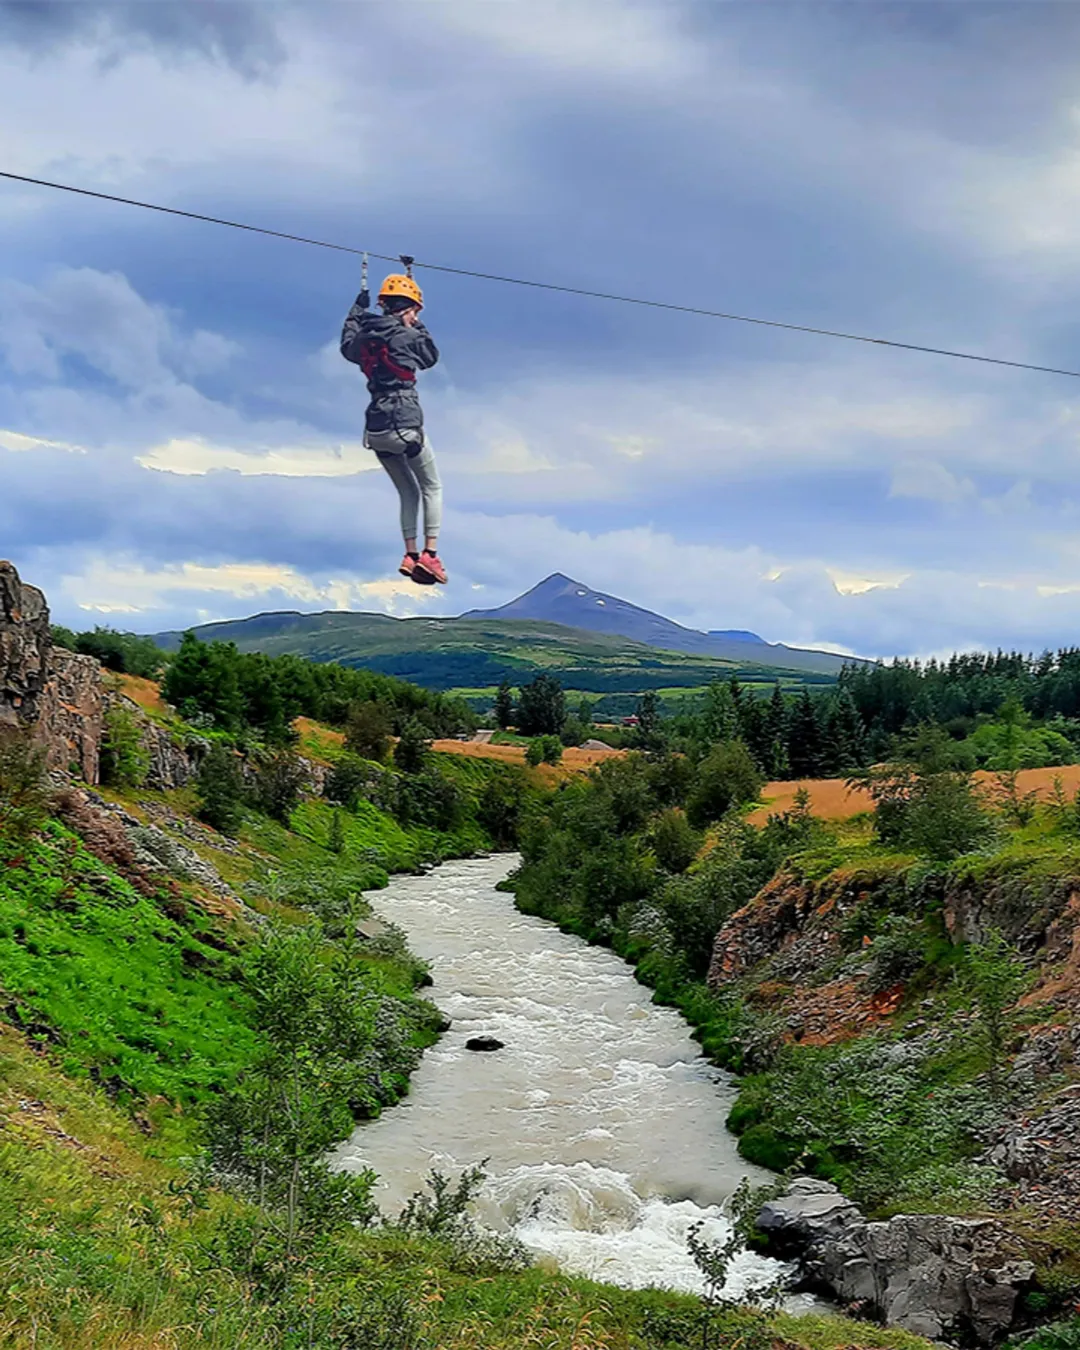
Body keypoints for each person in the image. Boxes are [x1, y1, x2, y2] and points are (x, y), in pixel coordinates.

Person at [340, 271, 447, 584]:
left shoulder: (362, 338)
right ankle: (430, 554)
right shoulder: (407, 335)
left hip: (375, 427)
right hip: (405, 421)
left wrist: (356, 310)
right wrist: (415, 325)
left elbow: (347, 344)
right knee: (432, 486)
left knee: (407, 491)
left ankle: (410, 554)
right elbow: (430, 358)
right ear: (409, 308)